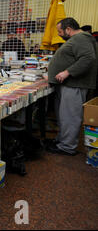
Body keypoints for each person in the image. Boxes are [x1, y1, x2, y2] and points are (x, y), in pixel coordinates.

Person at [46, 17, 97, 155]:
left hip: (74, 84)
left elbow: (88, 58)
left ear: (68, 29)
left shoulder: (81, 38)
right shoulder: (79, 39)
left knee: (70, 116)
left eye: (60, 31)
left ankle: (67, 147)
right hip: (70, 84)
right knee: (65, 115)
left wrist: (67, 72)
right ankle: (63, 140)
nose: (59, 34)